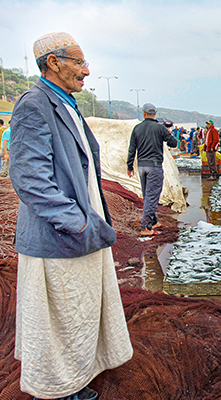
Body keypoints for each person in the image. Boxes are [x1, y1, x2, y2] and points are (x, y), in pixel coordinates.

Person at [9, 31, 133, 400]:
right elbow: (30, 179)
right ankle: (58, 390)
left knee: (77, 314)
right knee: (60, 319)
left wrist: (90, 224)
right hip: (58, 237)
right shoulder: (34, 104)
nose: (87, 71)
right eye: (79, 63)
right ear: (53, 62)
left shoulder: (66, 104)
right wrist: (77, 223)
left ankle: (74, 381)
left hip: (81, 233)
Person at [127, 102, 178, 235]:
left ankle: (154, 221)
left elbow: (132, 148)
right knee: (152, 197)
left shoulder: (137, 128)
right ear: (154, 114)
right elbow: (173, 143)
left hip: (142, 167)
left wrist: (129, 166)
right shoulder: (159, 128)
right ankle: (145, 228)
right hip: (154, 167)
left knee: (147, 196)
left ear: (144, 114)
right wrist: (167, 135)